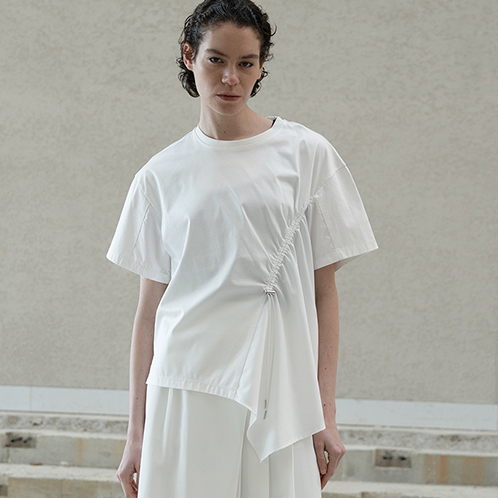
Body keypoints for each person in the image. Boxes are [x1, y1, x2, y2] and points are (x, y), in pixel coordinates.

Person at [107, 0, 378, 497]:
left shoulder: (306, 155)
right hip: (184, 387)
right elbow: (149, 313)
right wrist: (136, 434)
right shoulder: (159, 176)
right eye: (216, 59)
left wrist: (325, 413)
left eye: (246, 63)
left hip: (278, 390)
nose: (231, 77)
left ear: (260, 65)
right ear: (189, 56)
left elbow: (323, 294)